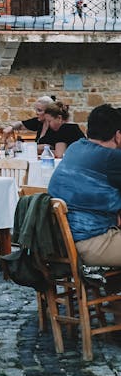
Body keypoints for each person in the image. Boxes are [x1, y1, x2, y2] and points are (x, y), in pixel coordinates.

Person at [47, 103, 121, 266]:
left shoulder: (75, 148)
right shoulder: (110, 157)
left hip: (61, 241)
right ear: (118, 135)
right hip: (91, 242)